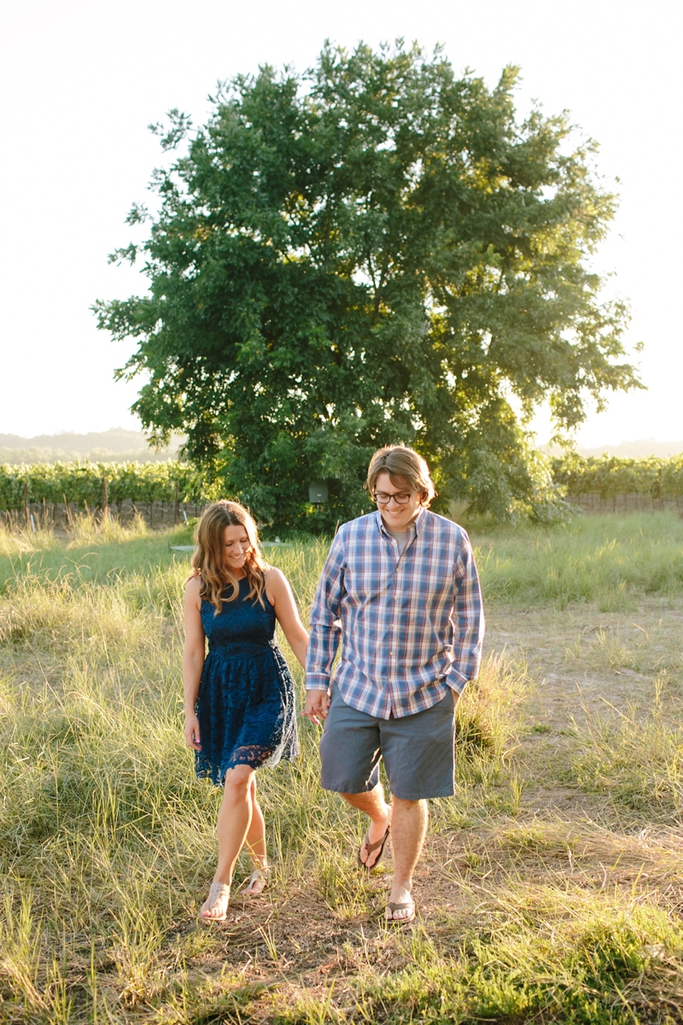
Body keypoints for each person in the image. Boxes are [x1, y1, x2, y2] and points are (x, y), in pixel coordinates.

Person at [304, 445, 485, 924]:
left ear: (422, 493)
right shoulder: (350, 537)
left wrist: (457, 681)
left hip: (425, 690)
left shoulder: (452, 540)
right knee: (339, 774)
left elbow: (470, 616)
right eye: (382, 496)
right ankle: (377, 816)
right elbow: (325, 615)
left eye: (400, 497)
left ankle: (400, 887)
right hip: (359, 685)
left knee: (411, 791)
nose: (390, 506)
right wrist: (317, 681)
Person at [183, 500, 308, 922]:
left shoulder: (269, 579)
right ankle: (262, 867)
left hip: (267, 689)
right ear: (211, 547)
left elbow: (297, 636)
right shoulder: (197, 588)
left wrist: (326, 680)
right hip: (220, 693)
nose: (239, 550)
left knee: (237, 778)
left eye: (244, 540)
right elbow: (193, 651)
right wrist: (190, 710)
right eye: (229, 544)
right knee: (244, 786)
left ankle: (221, 884)